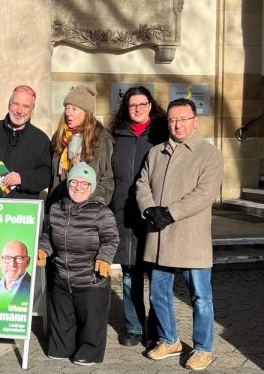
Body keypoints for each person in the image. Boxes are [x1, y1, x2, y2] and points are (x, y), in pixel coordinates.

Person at [136, 98, 223, 371]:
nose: (177, 125)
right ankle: (169, 339)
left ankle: (203, 348)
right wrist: (150, 209)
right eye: (173, 120)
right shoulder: (156, 152)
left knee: (200, 297)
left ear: (195, 121)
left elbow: (205, 193)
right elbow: (142, 183)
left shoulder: (210, 154)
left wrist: (170, 213)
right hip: (159, 236)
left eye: (183, 119)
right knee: (158, 293)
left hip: (190, 237)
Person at [36, 162, 119, 366]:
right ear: (67, 184)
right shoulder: (55, 209)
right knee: (62, 317)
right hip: (62, 277)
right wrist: (43, 249)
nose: (78, 187)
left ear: (91, 187)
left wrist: (104, 258)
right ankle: (62, 347)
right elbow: (47, 234)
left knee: (91, 321)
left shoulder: (102, 212)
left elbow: (111, 239)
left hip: (91, 280)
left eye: (84, 183)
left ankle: (89, 351)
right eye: (74, 182)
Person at [108, 86, 168, 347]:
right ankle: (133, 327)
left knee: (156, 275)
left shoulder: (161, 134)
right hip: (123, 213)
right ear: (126, 107)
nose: (138, 109)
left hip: (153, 213)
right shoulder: (116, 135)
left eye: (142, 104)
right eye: (133, 105)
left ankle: (156, 330)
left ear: (150, 105)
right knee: (130, 275)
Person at [0, 85, 51, 199]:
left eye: (25, 106)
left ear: (32, 110)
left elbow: (47, 175)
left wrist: (22, 178)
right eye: (15, 104)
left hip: (22, 212)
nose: (19, 111)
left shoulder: (41, 140)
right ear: (9, 104)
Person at [47, 84, 113, 209]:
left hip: (88, 211)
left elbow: (107, 179)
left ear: (86, 113)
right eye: (67, 107)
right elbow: (53, 178)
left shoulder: (102, 139)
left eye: (74, 109)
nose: (68, 113)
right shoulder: (60, 136)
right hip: (59, 208)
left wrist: (93, 203)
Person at [0, 241, 32, 306]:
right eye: (7, 258)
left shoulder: (34, 287)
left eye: (18, 258)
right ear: (0, 261)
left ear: (27, 262)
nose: (12, 264)